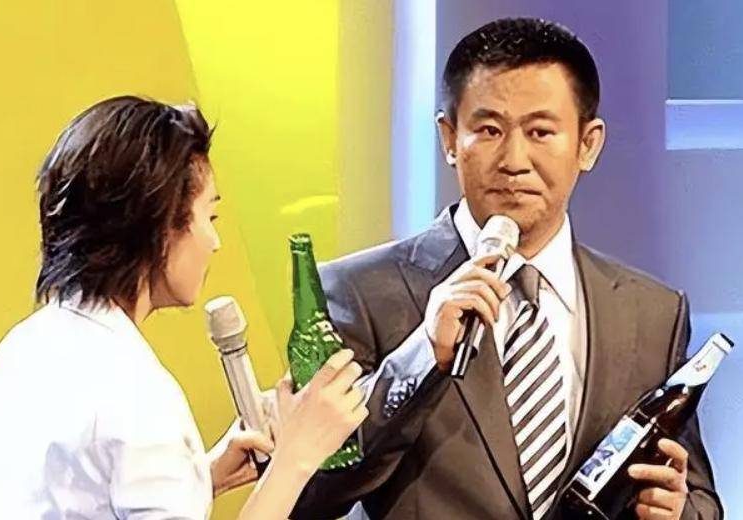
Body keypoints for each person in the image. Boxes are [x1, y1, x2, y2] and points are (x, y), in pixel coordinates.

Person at [290, 18, 721, 520]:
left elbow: (699, 496)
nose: (514, 160)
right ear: (449, 138)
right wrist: (422, 356)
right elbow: (306, 491)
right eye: (489, 130)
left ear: (588, 144)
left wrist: (678, 510)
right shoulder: (359, 291)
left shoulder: (652, 314)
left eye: (540, 132)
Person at [0, 96, 368, 520]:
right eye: (210, 216)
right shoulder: (135, 393)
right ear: (162, 225)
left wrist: (199, 477)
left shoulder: (22, 349)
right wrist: (296, 457)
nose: (214, 242)